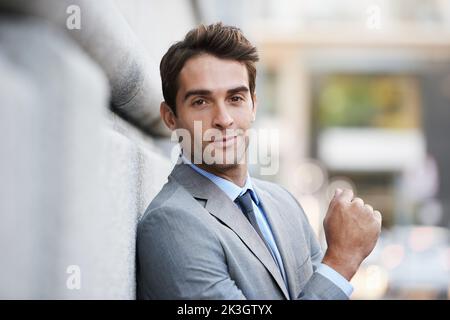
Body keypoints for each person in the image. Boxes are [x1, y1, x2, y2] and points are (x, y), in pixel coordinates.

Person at [136, 22, 381, 300]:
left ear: (254, 105)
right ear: (170, 117)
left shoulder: (284, 203)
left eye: (236, 98)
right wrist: (340, 261)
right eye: (201, 102)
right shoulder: (171, 224)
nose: (224, 119)